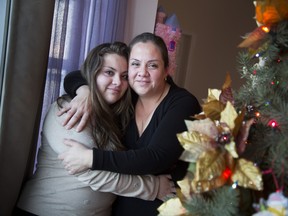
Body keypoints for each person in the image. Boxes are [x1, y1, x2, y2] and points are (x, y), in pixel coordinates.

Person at [14, 42, 175, 216]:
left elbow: (155, 81)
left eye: (124, 76)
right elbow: (92, 174)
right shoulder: (69, 109)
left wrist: (84, 89)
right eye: (109, 72)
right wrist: (153, 187)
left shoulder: (118, 115)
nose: (117, 82)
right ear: (92, 74)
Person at [59, 32, 202, 216]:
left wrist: (90, 158)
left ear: (167, 69)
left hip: (166, 208)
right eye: (135, 64)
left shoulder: (183, 103)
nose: (142, 73)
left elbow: (156, 158)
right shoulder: (128, 95)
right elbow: (76, 75)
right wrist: (85, 91)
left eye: (152, 65)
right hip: (121, 206)